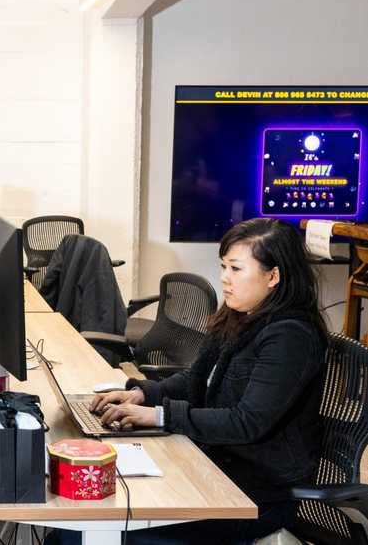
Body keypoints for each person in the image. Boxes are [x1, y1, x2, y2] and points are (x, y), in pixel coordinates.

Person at [51, 217, 328, 545]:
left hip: (255, 496)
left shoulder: (291, 336)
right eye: (223, 266)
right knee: (84, 512)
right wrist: (143, 394)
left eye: (236, 269)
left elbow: (246, 423)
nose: (224, 279)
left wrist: (160, 416)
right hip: (212, 465)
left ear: (273, 275)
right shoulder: (239, 313)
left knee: (85, 529)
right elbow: (196, 379)